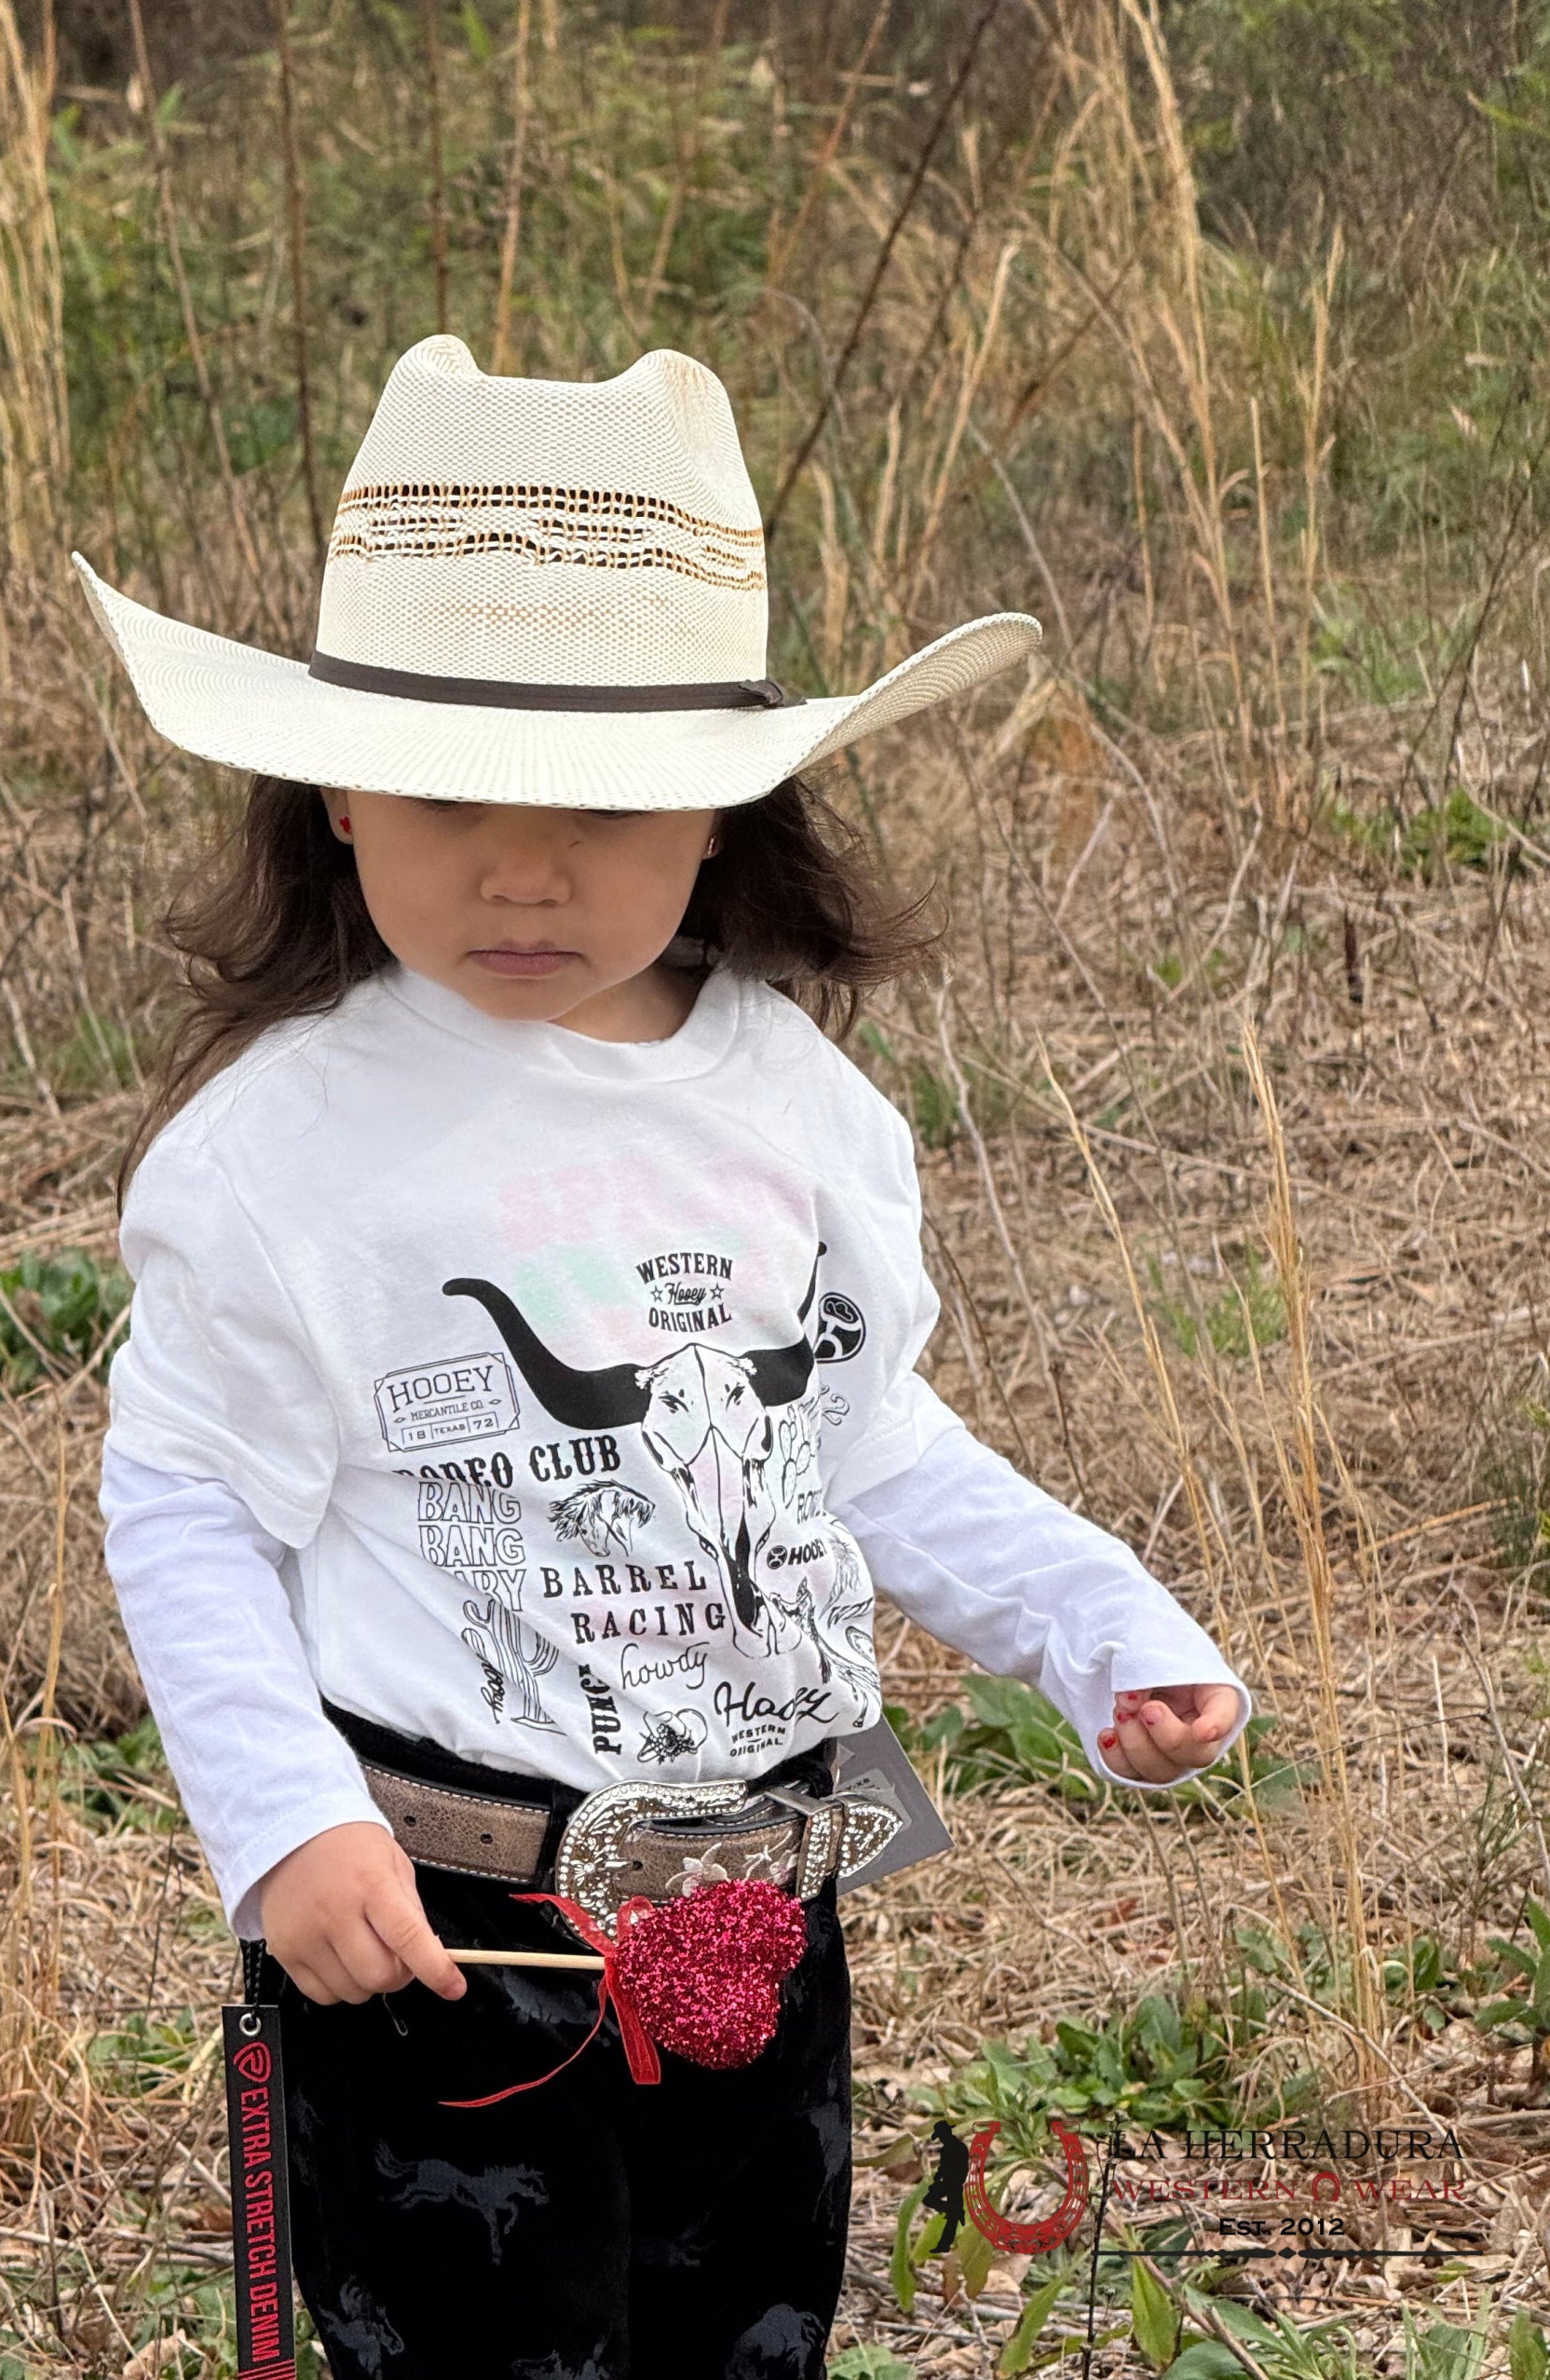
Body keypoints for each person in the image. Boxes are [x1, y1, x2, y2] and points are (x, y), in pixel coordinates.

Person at [81, 337, 1248, 2380]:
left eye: (606, 807)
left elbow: (861, 1441)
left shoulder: (795, 1108)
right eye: (453, 797)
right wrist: (284, 1822)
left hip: (775, 1902)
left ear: (723, 811)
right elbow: (185, 1500)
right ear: (336, 788)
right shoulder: (287, 1154)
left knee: (747, 2342)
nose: (524, 871)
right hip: (447, 1930)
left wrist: (1091, 1624)